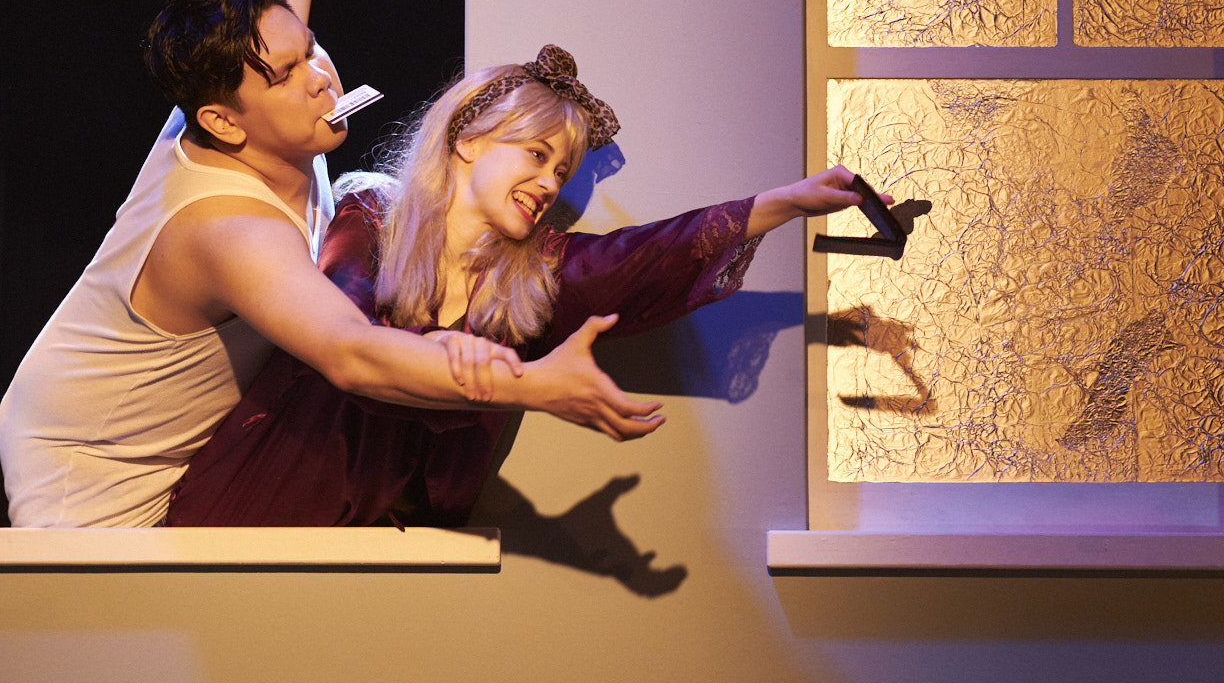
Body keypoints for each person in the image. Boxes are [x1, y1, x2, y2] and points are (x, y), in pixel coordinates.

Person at [0, 0, 666, 528]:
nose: (320, 77)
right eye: (289, 74)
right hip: (91, 475)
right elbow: (349, 353)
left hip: (187, 452)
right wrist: (533, 385)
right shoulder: (229, 230)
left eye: (312, 47)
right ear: (223, 123)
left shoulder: (246, 96)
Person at [162, 43, 884, 527]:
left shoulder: (534, 274)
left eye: (561, 171)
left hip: (392, 552)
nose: (548, 183)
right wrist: (468, 366)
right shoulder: (372, 214)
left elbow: (648, 255)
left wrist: (785, 203)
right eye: (536, 155)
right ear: (468, 139)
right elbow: (344, 335)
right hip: (263, 508)